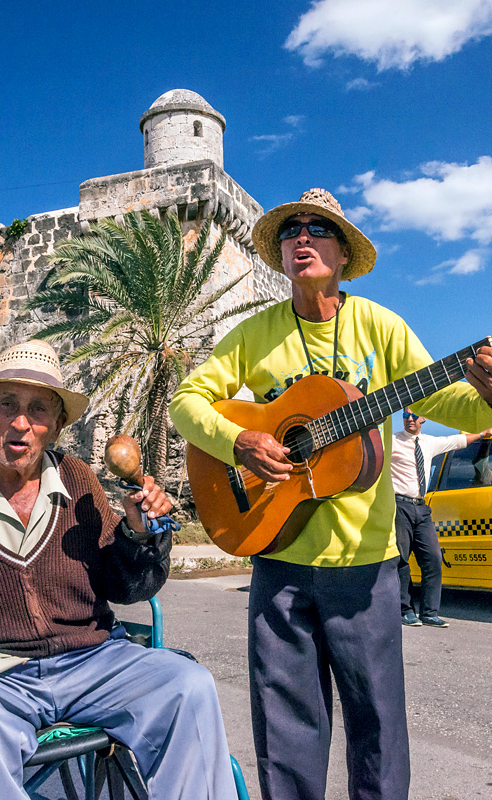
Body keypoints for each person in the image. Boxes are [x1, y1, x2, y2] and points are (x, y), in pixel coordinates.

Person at [169, 188, 492, 800]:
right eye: (292, 230)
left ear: (344, 253)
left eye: (319, 229)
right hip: (277, 559)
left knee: (378, 734)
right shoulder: (255, 333)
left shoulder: (381, 326)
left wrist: (488, 396)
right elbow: (188, 402)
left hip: (365, 568)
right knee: (285, 734)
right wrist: (239, 439)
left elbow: (443, 400)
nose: (302, 238)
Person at [0, 340, 238, 800]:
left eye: (38, 410)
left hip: (91, 660)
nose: (21, 423)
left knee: (186, 685)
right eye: (6, 405)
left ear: (55, 427)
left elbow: (126, 585)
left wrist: (137, 534)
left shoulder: (78, 480)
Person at [391, 408, 492, 627]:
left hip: (421, 506)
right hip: (400, 505)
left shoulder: (429, 443)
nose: (409, 419)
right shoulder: (391, 442)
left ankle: (429, 613)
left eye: (414, 415)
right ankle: (405, 610)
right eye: (405, 416)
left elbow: (457, 441)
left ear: (423, 418)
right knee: (402, 560)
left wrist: (483, 433)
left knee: (433, 559)